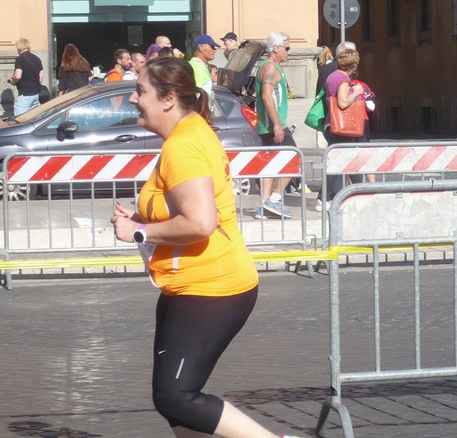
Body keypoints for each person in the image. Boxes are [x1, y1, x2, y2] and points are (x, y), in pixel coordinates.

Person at [110, 57, 295, 438]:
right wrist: (144, 220)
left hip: (212, 289)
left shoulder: (184, 145)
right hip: (190, 286)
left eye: (140, 91)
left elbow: (200, 222)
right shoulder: (190, 132)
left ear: (167, 99)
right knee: (173, 398)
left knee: (176, 397)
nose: (132, 99)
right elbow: (187, 208)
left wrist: (139, 233)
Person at [254, 31, 297, 219]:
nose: (289, 51)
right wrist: (277, 125)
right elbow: (266, 96)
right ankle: (275, 199)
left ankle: (264, 205)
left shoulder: (268, 67)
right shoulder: (270, 68)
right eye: (286, 48)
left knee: (270, 164)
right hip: (273, 125)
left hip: (267, 125)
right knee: (295, 160)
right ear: (276, 49)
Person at [317, 48, 364, 212]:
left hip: (333, 125)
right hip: (342, 127)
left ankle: (358, 192)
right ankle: (324, 197)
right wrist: (356, 93)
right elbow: (343, 103)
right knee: (343, 161)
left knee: (344, 160)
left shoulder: (332, 76)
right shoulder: (343, 80)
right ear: (353, 65)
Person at [9, 37, 44, 116]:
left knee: (20, 119)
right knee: (32, 118)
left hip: (25, 95)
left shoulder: (20, 59)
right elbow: (41, 74)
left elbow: (17, 76)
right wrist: (37, 84)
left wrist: (12, 82)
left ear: (19, 47)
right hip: (35, 94)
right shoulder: (37, 58)